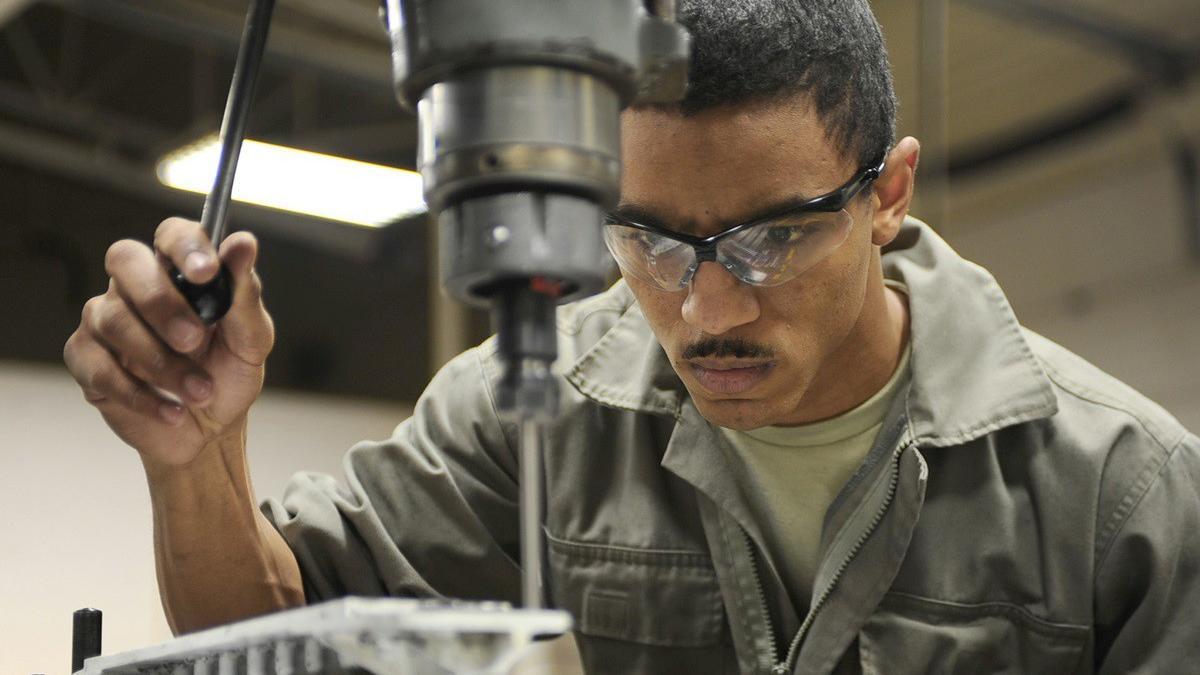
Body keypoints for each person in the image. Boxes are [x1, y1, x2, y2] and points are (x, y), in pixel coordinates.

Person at [62, 1, 1199, 673]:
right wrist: (194, 455)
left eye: (770, 240)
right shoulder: (526, 418)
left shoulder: (1121, 493)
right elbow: (271, 638)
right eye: (650, 241)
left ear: (888, 191)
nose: (705, 312)